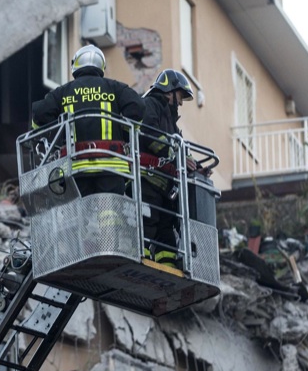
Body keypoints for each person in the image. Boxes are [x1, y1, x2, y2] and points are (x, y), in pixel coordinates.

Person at [31, 44, 144, 196]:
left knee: (79, 210)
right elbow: (138, 107)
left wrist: (55, 136)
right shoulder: (115, 87)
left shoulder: (62, 92)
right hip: (112, 167)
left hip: (75, 169)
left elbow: (39, 114)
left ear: (76, 64)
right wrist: (125, 133)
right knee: (109, 210)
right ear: (101, 65)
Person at [139, 68, 195, 267]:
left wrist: (196, 167)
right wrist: (174, 154)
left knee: (166, 231)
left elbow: (183, 149)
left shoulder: (172, 122)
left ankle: (167, 269)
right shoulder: (150, 105)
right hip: (147, 179)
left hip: (165, 186)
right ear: (169, 90)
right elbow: (149, 133)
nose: (181, 102)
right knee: (147, 223)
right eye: (180, 96)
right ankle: (143, 262)